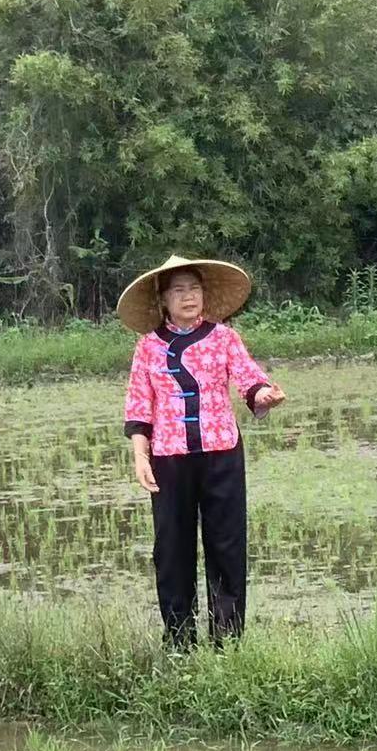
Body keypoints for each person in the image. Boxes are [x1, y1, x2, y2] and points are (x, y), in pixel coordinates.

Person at [121, 254, 286, 647]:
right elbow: (139, 406)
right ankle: (179, 641)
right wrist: (140, 457)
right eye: (178, 290)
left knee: (227, 545)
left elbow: (249, 379)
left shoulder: (223, 338)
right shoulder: (147, 347)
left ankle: (227, 641)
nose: (188, 296)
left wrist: (265, 394)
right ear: (163, 299)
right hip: (169, 458)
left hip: (221, 454)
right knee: (172, 550)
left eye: (194, 288)